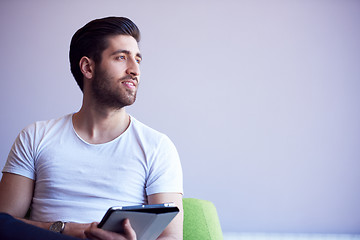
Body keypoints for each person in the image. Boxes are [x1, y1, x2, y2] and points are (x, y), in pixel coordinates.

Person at [0, 16, 183, 240]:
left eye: (137, 59)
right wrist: (65, 229)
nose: (135, 69)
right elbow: (4, 223)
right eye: (121, 57)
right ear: (88, 67)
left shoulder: (157, 146)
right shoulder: (35, 136)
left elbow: (171, 237)